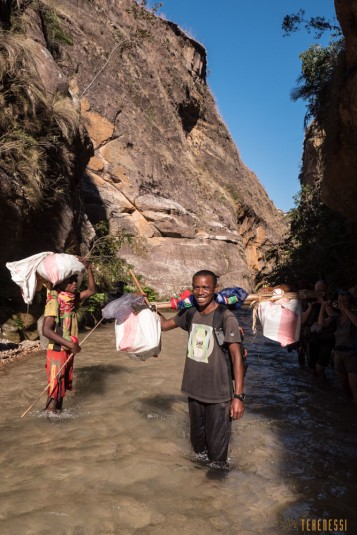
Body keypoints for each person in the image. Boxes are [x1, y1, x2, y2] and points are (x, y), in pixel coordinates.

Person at [159, 270, 245, 468]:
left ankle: (216, 495)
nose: (200, 291)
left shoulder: (226, 317)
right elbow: (164, 325)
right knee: (198, 453)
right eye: (196, 287)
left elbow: (237, 357)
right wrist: (148, 307)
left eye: (206, 287)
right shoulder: (190, 313)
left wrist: (238, 397)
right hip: (194, 392)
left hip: (218, 396)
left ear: (215, 289)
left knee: (217, 460)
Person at [42, 257, 96, 412]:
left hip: (67, 350)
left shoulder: (72, 300)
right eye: (70, 281)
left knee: (62, 386)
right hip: (58, 349)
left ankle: (56, 421)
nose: (74, 284)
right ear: (60, 284)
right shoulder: (54, 301)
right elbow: (47, 330)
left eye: (75, 281)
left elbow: (92, 290)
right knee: (55, 387)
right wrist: (70, 344)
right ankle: (50, 421)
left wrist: (89, 268)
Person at [319, 290, 357, 404]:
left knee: (354, 387)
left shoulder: (354, 315)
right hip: (338, 354)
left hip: (352, 354)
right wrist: (322, 308)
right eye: (339, 301)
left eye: (344, 301)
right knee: (344, 386)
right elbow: (321, 324)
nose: (341, 303)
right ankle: (346, 413)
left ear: (349, 302)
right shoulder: (336, 317)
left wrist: (345, 309)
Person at [300, 280, 335, 382]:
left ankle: (324, 388)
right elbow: (302, 320)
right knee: (312, 369)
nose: (319, 290)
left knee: (320, 368)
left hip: (325, 338)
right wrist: (311, 307)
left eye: (321, 289)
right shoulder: (309, 302)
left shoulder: (330, 302)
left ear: (326, 290)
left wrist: (323, 303)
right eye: (317, 289)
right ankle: (317, 391)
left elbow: (334, 317)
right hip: (311, 338)